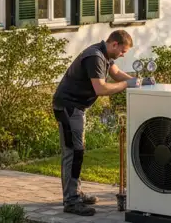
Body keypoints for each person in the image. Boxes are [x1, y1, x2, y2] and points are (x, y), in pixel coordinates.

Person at [52, 30, 142, 216]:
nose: (123, 54)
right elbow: (100, 88)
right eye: (123, 51)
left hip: (75, 108)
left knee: (77, 150)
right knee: (73, 152)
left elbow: (115, 73)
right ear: (114, 44)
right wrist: (127, 85)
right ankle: (71, 201)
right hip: (69, 108)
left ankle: (75, 193)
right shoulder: (95, 57)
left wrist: (138, 81)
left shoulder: (103, 53)